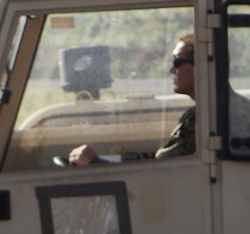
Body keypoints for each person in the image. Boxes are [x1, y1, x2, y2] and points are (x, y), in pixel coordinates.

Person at [68, 35, 198, 166]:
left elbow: (161, 173)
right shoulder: (194, 117)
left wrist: (94, 162)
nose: (172, 70)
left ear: (200, 66)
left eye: (177, 62)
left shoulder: (199, 120)